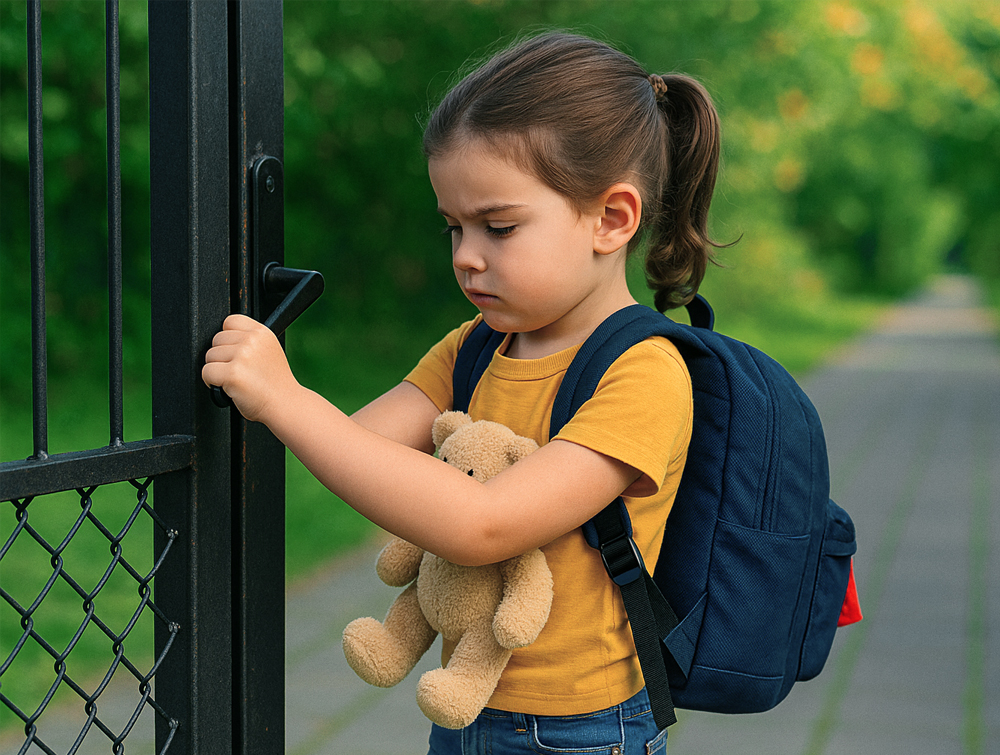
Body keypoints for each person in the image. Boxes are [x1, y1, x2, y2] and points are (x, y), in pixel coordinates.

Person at [203, 31, 722, 755]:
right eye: (453, 226)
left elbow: (485, 525)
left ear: (612, 219)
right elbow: (360, 445)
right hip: (467, 711)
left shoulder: (642, 373)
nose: (466, 257)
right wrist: (276, 398)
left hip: (581, 732)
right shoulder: (477, 345)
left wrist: (287, 400)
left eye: (498, 227)